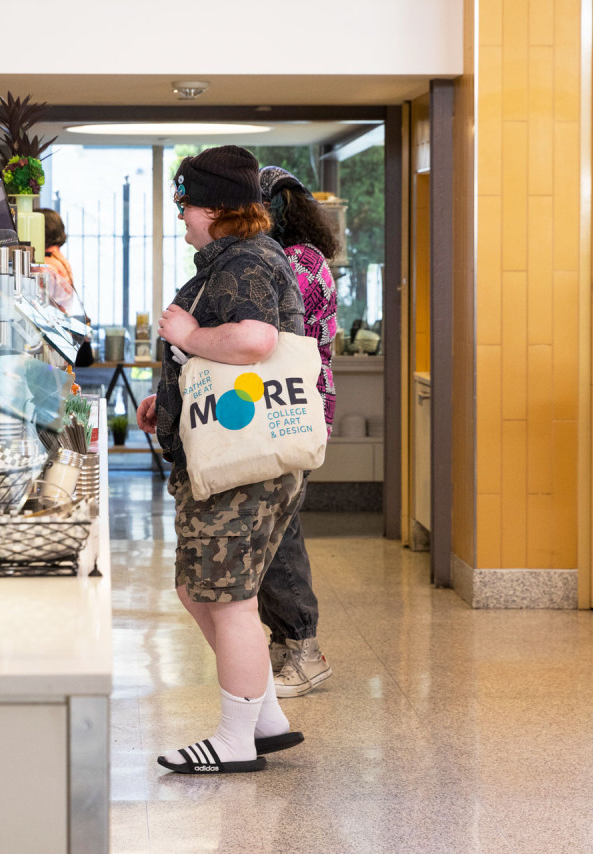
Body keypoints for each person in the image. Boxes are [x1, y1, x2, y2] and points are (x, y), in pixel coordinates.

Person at [136, 145, 307, 774]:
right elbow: (226, 359)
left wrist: (186, 336)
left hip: (241, 468)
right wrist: (174, 394)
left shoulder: (243, 263)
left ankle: (237, 740)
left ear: (213, 207)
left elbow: (256, 340)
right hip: (234, 459)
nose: (180, 216)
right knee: (196, 587)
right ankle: (265, 717)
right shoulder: (239, 260)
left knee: (229, 597)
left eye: (184, 203)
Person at [256, 165, 338, 697]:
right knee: (276, 524)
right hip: (299, 401)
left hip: (292, 404)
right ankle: (286, 645)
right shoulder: (311, 259)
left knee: (280, 530)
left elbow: (275, 339)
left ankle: (303, 647)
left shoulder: (294, 264)